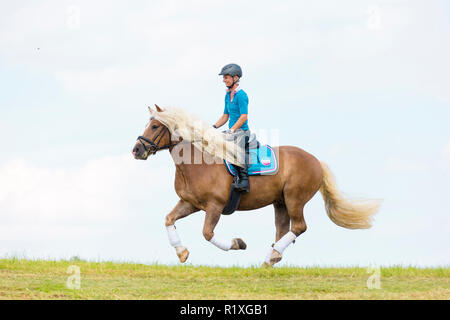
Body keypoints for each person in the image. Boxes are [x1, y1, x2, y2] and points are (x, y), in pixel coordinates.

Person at [213, 63, 251, 193]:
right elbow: (225, 116)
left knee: (232, 149)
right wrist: (213, 127)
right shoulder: (227, 95)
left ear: (235, 78)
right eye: (223, 77)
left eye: (226, 77)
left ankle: (244, 180)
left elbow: (243, 117)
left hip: (242, 132)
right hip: (232, 131)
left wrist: (232, 130)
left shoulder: (241, 95)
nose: (223, 80)